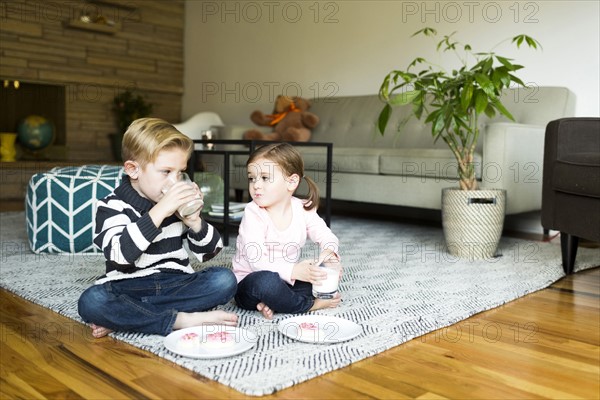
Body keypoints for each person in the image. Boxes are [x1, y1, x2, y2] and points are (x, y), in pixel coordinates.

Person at [78, 118, 238, 338]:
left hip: (176, 282)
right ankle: (181, 320)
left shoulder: (177, 206)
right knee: (92, 301)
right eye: (166, 172)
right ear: (133, 170)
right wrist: (160, 211)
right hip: (129, 286)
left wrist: (194, 221)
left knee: (224, 280)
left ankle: (132, 319)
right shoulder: (111, 206)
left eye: (180, 172)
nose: (175, 181)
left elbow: (209, 252)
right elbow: (120, 256)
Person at [233, 143, 342, 319]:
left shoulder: (302, 208)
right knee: (266, 283)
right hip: (250, 282)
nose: (256, 185)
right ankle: (308, 306)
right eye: (252, 178)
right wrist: (294, 271)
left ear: (291, 182)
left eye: (265, 178)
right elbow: (257, 261)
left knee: (318, 276)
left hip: (285, 280)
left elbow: (325, 235)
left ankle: (277, 302)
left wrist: (329, 255)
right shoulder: (253, 212)